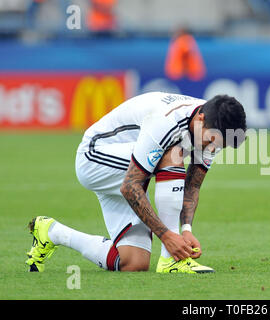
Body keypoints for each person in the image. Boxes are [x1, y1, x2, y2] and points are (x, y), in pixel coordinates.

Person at [25, 92, 247, 273]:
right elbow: (130, 186)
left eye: (219, 145)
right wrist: (168, 236)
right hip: (93, 158)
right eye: (211, 141)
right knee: (173, 152)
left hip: (130, 170)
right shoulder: (167, 121)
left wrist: (186, 230)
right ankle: (171, 261)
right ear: (200, 119)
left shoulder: (211, 129)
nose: (212, 147)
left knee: (133, 262)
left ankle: (52, 232)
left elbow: (193, 185)